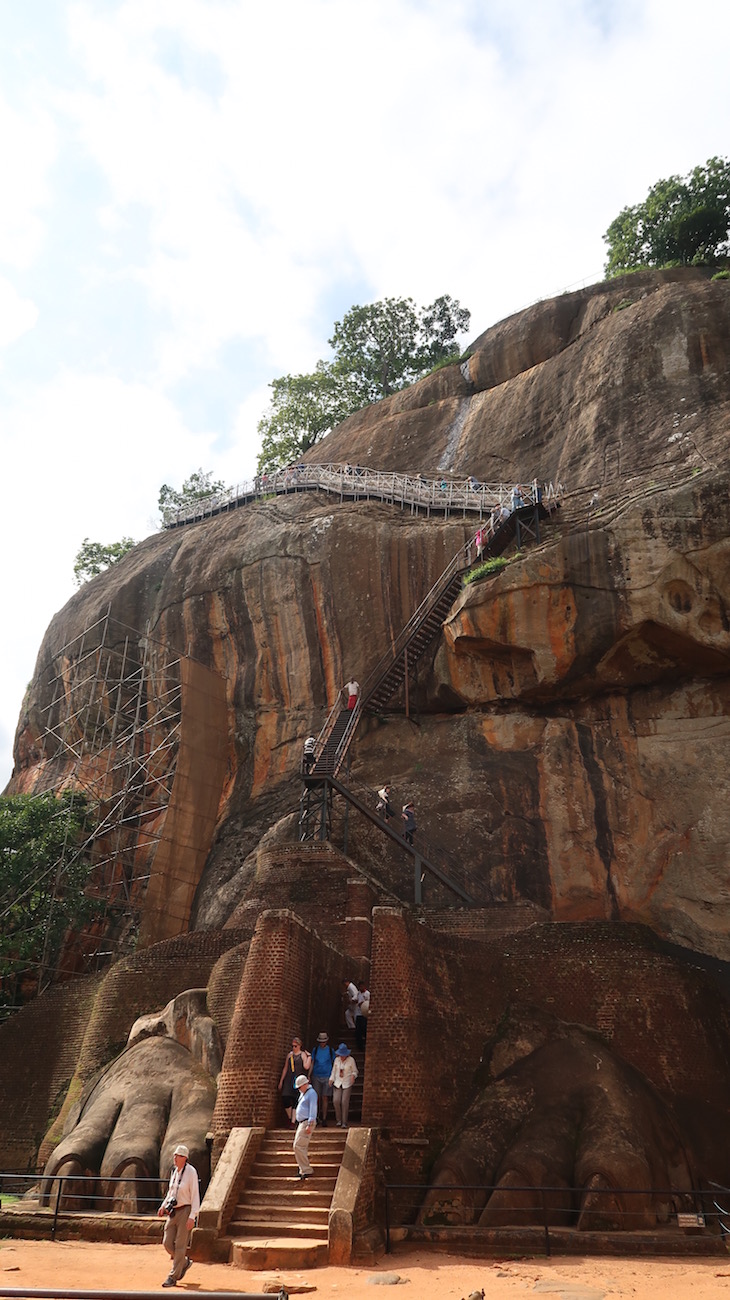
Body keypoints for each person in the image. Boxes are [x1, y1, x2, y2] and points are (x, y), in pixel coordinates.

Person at [158, 1143, 200, 1287]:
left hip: (185, 1210)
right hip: (173, 1210)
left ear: (185, 1158)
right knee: (167, 1242)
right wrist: (163, 1206)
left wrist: (192, 1216)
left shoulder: (191, 1172)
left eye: (178, 1156)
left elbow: (195, 1194)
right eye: (175, 1155)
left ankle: (173, 1276)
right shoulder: (175, 1172)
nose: (175, 1158)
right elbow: (171, 1193)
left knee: (180, 1245)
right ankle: (184, 1262)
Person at [278, 1036, 311, 1126]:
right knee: (286, 1098)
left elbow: (306, 1066)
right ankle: (290, 1117)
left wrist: (309, 1057)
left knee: (296, 1100)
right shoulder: (290, 1055)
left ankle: (292, 1122)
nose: (294, 1048)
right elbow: (285, 1068)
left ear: (300, 1046)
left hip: (298, 1079)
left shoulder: (303, 1054)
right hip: (289, 1079)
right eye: (293, 1046)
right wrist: (281, 1081)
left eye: (295, 1046)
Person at [293, 1073, 318, 1180]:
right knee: (300, 1146)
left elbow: (313, 1108)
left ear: (304, 1085)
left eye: (299, 1087)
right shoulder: (304, 1093)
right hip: (302, 1122)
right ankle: (303, 1169)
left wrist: (310, 1124)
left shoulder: (311, 1093)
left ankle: (306, 1169)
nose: (299, 1089)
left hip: (307, 1122)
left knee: (298, 1146)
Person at [329, 1043, 359, 1128]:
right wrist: (331, 1079)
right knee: (336, 1100)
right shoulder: (336, 1060)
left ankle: (344, 1122)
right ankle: (338, 1120)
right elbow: (334, 1071)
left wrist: (353, 1076)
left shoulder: (351, 1060)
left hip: (347, 1083)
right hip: (338, 1082)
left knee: (344, 1102)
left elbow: (355, 1071)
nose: (342, 1057)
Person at [309, 1031, 335, 1124]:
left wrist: (333, 1076)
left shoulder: (330, 1051)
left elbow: (334, 1064)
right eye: (321, 1041)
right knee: (316, 1097)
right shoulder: (315, 1050)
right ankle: (315, 1116)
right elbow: (312, 1063)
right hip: (316, 1075)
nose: (322, 1043)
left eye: (323, 1041)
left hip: (327, 1076)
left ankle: (324, 1118)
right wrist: (309, 1075)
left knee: (325, 1097)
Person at [355, 983, 370, 1051]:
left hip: (364, 1013)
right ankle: (360, 1046)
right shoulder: (358, 993)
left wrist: (363, 1003)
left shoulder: (367, 993)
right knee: (358, 1031)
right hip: (358, 1013)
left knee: (364, 1029)